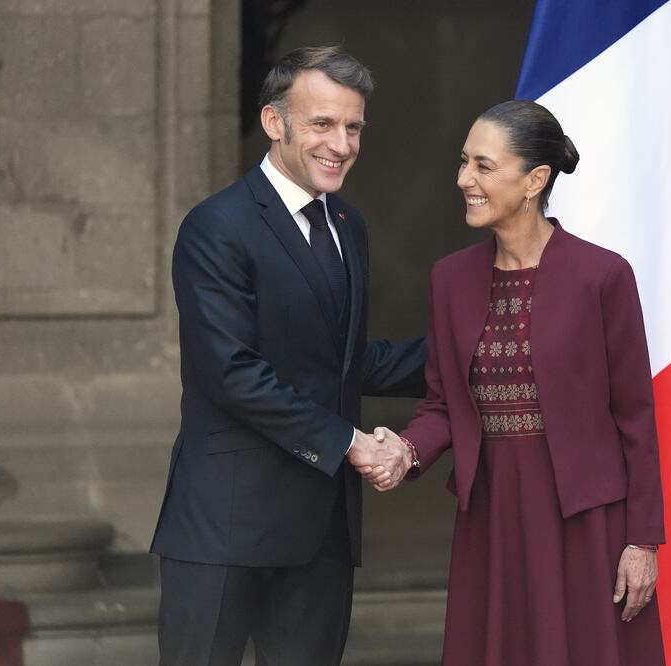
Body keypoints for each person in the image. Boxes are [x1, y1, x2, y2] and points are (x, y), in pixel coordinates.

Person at [150, 46, 425, 666]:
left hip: (321, 536)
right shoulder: (216, 226)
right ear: (275, 123)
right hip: (223, 527)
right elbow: (230, 372)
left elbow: (340, 360)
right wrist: (352, 443)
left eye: (353, 127)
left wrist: (478, 357)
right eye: (322, 123)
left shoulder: (348, 224)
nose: (342, 144)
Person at [364, 100, 666, 665]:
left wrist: (642, 540)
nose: (464, 179)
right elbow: (443, 404)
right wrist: (405, 451)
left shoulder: (603, 275)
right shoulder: (449, 279)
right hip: (493, 515)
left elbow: (636, 416)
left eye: (483, 166)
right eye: (464, 162)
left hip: (586, 521)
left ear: (534, 180)